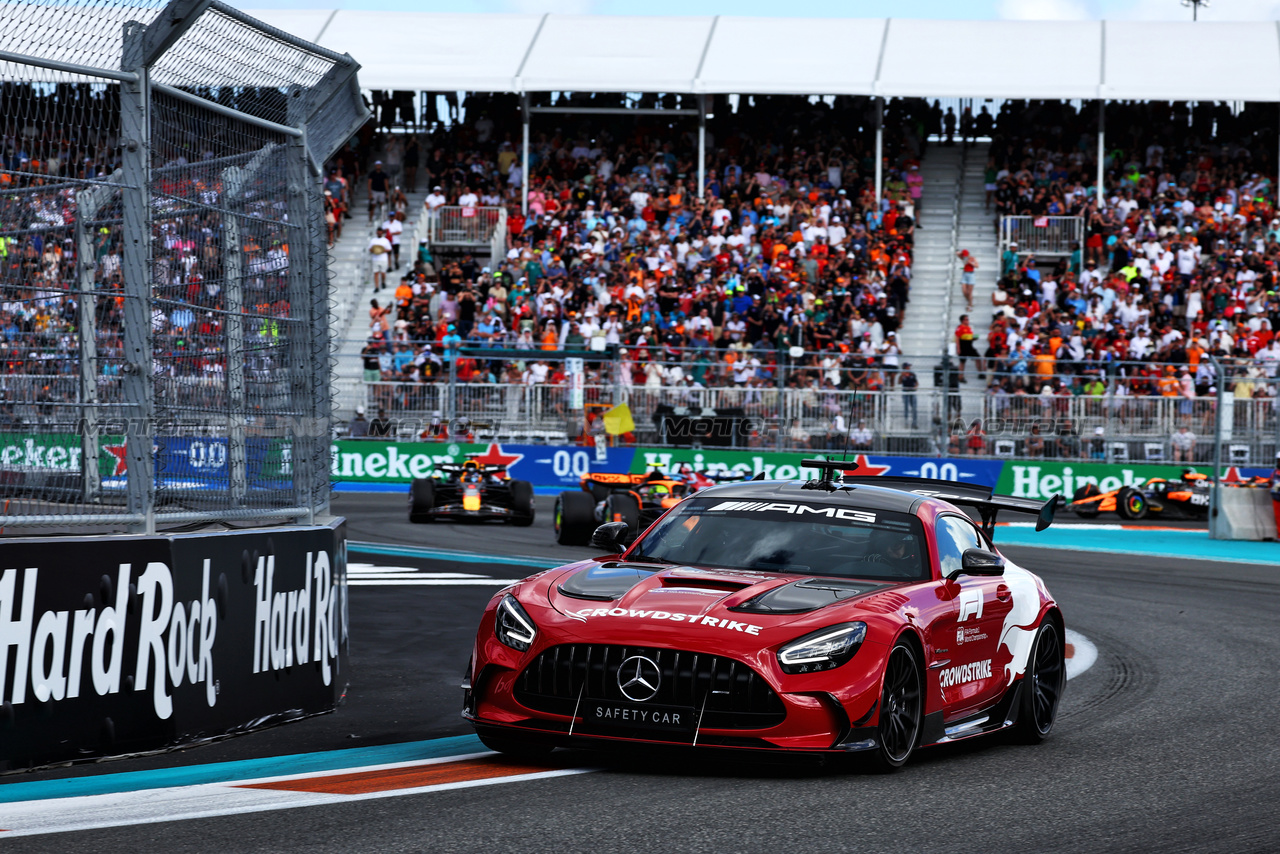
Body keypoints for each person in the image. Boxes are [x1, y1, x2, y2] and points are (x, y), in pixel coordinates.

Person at [955, 315, 979, 382]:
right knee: (962, 362)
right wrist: (958, 348)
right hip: (963, 346)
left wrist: (974, 338)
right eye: (966, 319)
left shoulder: (969, 327)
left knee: (978, 358)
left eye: (968, 319)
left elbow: (970, 337)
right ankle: (960, 377)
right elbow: (957, 338)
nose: (968, 321)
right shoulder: (960, 328)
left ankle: (980, 373)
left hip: (969, 345)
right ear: (962, 320)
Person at [899, 362, 919, 429]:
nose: (909, 368)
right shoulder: (902, 375)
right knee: (906, 408)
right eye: (907, 367)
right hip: (905, 392)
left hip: (912, 392)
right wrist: (902, 375)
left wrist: (915, 387)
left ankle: (914, 423)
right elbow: (899, 382)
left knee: (914, 408)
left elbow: (916, 383)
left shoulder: (912, 374)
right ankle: (906, 423)